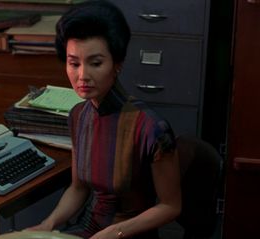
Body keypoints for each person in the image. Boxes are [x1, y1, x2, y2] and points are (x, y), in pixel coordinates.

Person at [29, 1, 181, 238]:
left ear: (117, 64)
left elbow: (171, 206)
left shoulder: (151, 128)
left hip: (128, 234)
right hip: (88, 229)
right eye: (74, 63)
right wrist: (48, 224)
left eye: (95, 63)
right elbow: (78, 188)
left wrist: (116, 231)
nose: (82, 75)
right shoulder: (78, 115)